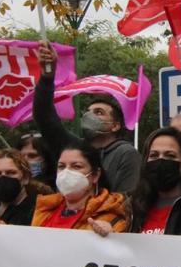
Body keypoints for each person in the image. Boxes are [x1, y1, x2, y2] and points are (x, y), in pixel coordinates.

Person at [34, 42, 142, 193]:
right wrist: (47, 77)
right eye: (88, 111)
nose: (89, 116)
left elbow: (127, 196)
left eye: (98, 112)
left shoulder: (126, 153)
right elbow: (44, 117)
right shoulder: (73, 147)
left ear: (115, 125)